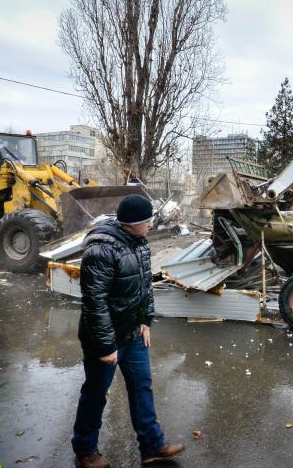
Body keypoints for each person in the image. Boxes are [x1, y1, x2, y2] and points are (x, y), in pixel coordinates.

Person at [72, 194, 183, 468]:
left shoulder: (140, 243)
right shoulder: (101, 250)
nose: (151, 226)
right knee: (96, 393)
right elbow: (94, 302)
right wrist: (107, 345)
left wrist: (145, 320)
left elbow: (146, 286)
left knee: (142, 386)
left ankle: (152, 446)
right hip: (104, 339)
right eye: (147, 222)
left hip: (132, 333)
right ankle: (85, 450)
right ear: (132, 224)